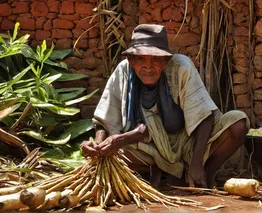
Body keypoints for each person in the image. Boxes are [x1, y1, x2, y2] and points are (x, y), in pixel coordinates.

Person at [80, 24, 250, 189]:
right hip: (147, 149)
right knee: (112, 154)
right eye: (140, 58)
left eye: (155, 59)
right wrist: (98, 145)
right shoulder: (123, 71)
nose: (148, 66)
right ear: (131, 60)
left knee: (237, 123)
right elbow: (104, 119)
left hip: (186, 141)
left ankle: (204, 173)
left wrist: (197, 164)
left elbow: (205, 116)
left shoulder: (181, 67)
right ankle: (162, 169)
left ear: (165, 60)